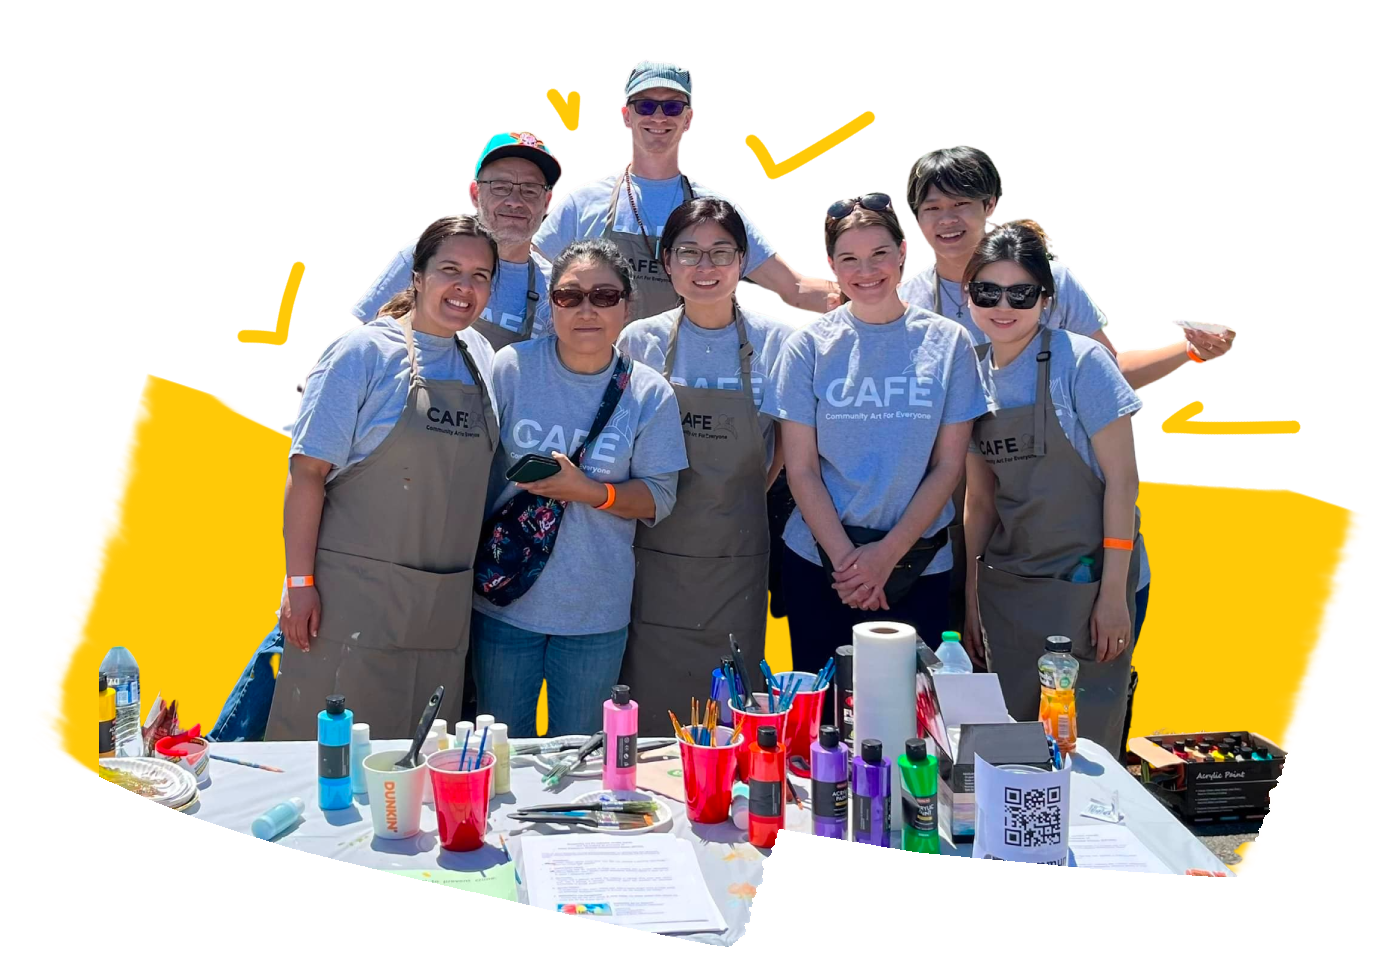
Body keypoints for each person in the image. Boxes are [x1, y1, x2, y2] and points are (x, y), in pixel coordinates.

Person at [897, 145, 1236, 642]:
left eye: (961, 204)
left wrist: (1186, 352)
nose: (947, 220)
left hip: (1058, 528)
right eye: (931, 208)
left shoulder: (1047, 278)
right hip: (954, 521)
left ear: (990, 205)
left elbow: (1108, 372)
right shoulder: (906, 302)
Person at [264, 215, 500, 741]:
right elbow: (306, 474)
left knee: (419, 765)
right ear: (416, 276)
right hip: (351, 604)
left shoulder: (482, 359)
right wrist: (298, 583)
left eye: (481, 276)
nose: (465, 288)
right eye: (450, 270)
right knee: (327, 761)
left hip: (440, 609)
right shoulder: (362, 353)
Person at [765, 192, 988, 706]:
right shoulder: (808, 345)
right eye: (849, 259)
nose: (866, 271)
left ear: (904, 251)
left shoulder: (949, 342)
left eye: (879, 254)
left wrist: (887, 556)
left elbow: (948, 466)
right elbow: (800, 470)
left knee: (912, 722)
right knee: (825, 724)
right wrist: (849, 564)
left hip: (918, 567)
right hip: (822, 567)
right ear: (830, 267)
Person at [471, 239, 689, 737]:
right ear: (551, 305)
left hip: (596, 610)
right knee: (504, 753)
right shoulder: (512, 369)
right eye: (569, 296)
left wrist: (588, 490)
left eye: (604, 296)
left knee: (579, 760)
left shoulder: (649, 391)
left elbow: (660, 496)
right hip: (502, 601)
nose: (586, 309)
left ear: (626, 307)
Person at [960, 219, 1145, 762]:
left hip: (1085, 590)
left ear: (1046, 298)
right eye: (987, 292)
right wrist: (970, 594)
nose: (1003, 306)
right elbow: (980, 501)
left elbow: (1122, 483)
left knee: (1082, 755)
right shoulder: (971, 373)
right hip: (1009, 592)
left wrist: (1113, 595)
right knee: (1013, 752)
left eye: (1021, 293)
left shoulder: (1081, 363)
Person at [614, 199, 797, 735]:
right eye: (689, 252)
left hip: (736, 559)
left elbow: (785, 443)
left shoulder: (779, 341)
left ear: (743, 262)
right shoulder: (638, 340)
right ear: (666, 261)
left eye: (721, 253)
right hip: (653, 557)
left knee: (729, 714)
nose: (705, 267)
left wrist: (749, 490)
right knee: (650, 720)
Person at [532, 58, 843, 323]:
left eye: (671, 106)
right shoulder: (583, 201)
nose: (658, 116)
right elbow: (529, 272)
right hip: (599, 374)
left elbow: (794, 289)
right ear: (627, 116)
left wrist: (876, 292)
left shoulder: (716, 209)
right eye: (645, 105)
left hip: (687, 378)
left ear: (688, 119)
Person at [351, 131, 564, 351]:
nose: (514, 201)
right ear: (474, 194)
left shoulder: (560, 288)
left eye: (530, 190)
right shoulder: (423, 256)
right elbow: (352, 356)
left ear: (547, 202)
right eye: (500, 187)